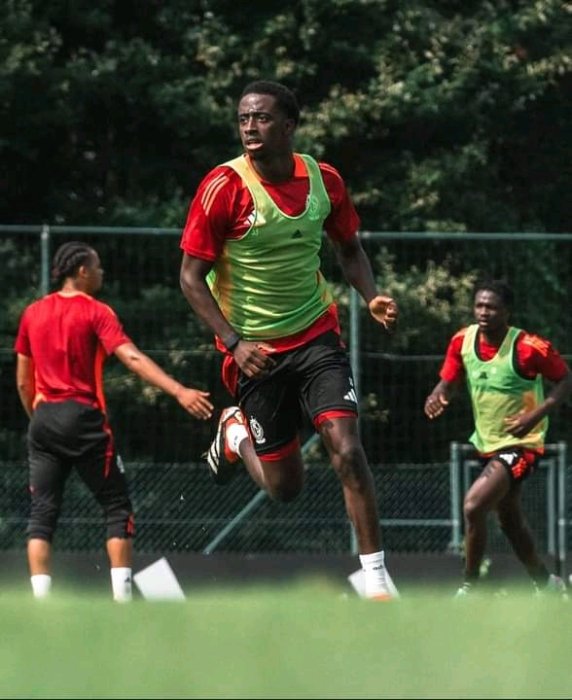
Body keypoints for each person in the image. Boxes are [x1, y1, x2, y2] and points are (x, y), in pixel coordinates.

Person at [179, 79, 399, 600]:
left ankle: (376, 578)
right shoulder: (223, 187)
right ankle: (236, 433)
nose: (250, 127)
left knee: (347, 449)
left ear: (289, 125)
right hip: (254, 352)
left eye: (261, 117)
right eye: (243, 118)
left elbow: (349, 249)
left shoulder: (325, 181)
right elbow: (190, 278)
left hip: (317, 335)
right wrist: (234, 343)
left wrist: (371, 296)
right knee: (285, 487)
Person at [14, 241, 214, 602]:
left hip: (43, 420)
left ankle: (40, 603)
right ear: (82, 272)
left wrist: (39, 419)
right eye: (97, 266)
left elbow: (23, 382)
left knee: (42, 514)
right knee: (117, 507)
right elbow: (132, 359)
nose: (102, 272)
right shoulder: (96, 312)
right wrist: (179, 390)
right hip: (83, 418)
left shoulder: (33, 313)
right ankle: (121, 599)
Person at [424, 279, 572, 597]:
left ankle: (470, 587)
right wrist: (438, 394)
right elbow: (448, 381)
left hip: (523, 446)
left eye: (491, 307)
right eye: (479, 305)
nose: (483, 312)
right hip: (487, 445)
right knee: (509, 520)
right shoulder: (462, 341)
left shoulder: (530, 347)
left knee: (473, 505)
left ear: (507, 312)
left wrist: (535, 415)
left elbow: (565, 380)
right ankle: (547, 584)